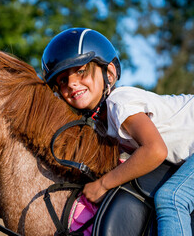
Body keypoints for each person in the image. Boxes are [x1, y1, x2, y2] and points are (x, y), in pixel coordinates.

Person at [41, 27, 194, 235]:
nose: (72, 83)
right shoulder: (102, 123)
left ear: (110, 72)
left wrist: (103, 184)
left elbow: (156, 151)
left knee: (172, 197)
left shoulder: (119, 103)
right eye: (62, 80)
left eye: (80, 71)